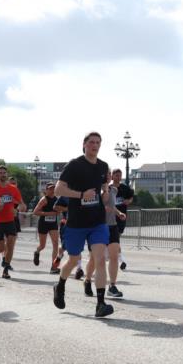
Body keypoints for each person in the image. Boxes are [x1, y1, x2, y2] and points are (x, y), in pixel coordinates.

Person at [53, 132, 114, 318]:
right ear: (84, 144)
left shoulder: (103, 167)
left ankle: (100, 304)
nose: (95, 145)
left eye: (98, 142)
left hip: (97, 221)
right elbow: (58, 190)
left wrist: (104, 194)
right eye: (91, 142)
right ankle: (60, 285)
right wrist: (81, 195)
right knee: (73, 259)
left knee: (100, 258)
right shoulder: (74, 165)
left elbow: (103, 191)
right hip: (76, 223)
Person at [84, 173, 125, 299]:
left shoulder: (114, 189)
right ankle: (87, 280)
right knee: (95, 259)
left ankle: (112, 286)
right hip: (97, 227)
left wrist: (119, 213)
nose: (108, 176)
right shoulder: (94, 190)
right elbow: (101, 202)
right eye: (105, 174)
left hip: (112, 226)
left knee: (114, 256)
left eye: (109, 174)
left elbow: (111, 206)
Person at [0, 166, 26, 279]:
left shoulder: (13, 189)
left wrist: (17, 210)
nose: (2, 174)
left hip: (9, 220)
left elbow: (22, 204)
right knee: (2, 248)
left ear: (7, 174)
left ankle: (6, 269)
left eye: (4, 173)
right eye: (0, 173)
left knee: (11, 244)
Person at [32, 183, 62, 268]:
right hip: (43, 224)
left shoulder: (57, 200)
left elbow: (60, 210)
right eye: (50, 189)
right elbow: (35, 212)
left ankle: (54, 266)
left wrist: (59, 211)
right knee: (42, 245)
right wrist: (49, 213)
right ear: (46, 190)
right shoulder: (44, 200)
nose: (52, 190)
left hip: (53, 224)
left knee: (56, 244)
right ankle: (37, 252)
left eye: (53, 188)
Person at [112, 169, 134, 270]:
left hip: (121, 216)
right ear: (112, 176)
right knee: (115, 238)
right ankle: (121, 260)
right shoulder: (108, 188)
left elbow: (131, 197)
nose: (118, 177)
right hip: (110, 217)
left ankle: (118, 258)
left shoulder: (125, 188)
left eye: (120, 175)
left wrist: (128, 201)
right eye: (116, 175)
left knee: (116, 239)